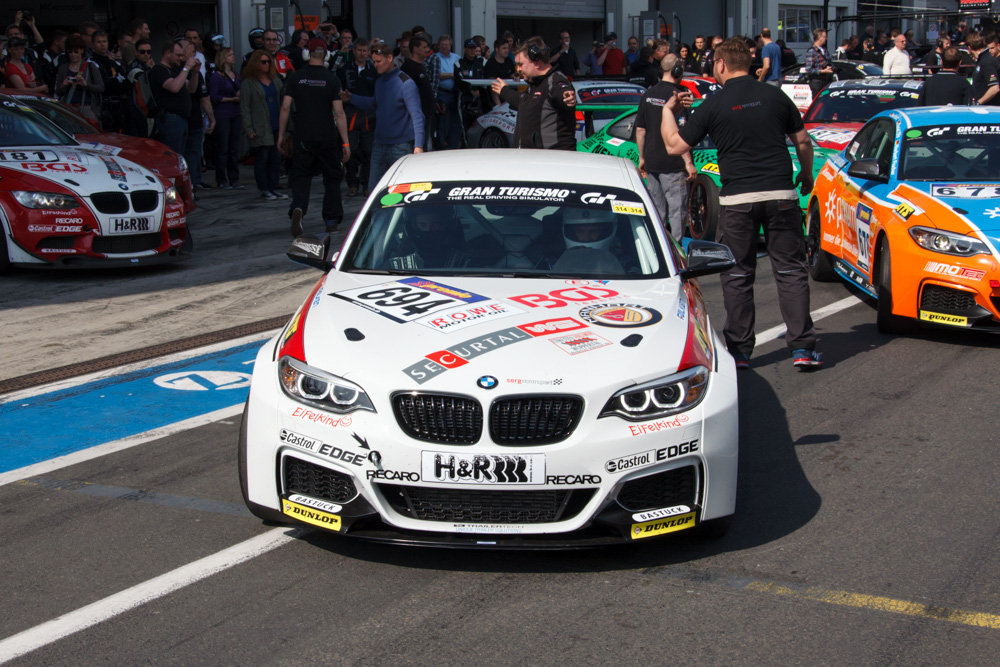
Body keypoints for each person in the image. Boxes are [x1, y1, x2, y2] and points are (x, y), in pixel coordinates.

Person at [660, 37, 821, 370]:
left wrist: (666, 110)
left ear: (720, 65)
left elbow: (674, 145)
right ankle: (802, 348)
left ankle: (740, 352)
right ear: (749, 64)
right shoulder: (775, 95)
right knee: (791, 271)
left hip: (737, 199)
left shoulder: (714, 104)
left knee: (737, 274)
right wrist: (806, 175)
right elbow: (803, 140)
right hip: (781, 195)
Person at [279, 38, 350, 236]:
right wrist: (345, 142)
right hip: (327, 136)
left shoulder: (295, 77)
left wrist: (281, 135)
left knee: (301, 176)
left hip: (303, 136)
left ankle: (298, 209)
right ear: (326, 55)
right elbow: (339, 113)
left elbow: (285, 107)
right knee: (332, 178)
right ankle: (331, 219)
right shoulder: (332, 79)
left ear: (306, 54)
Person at [341, 42, 424, 192]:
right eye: (373, 62)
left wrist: (418, 146)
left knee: (401, 190)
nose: (375, 65)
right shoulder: (380, 81)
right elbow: (375, 104)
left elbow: (417, 115)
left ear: (390, 58)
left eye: (379, 61)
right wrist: (351, 98)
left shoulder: (406, 83)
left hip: (400, 146)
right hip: (380, 144)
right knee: (375, 190)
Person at [636, 53, 696, 241]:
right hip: (673, 163)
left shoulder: (647, 95)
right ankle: (677, 257)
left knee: (657, 214)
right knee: (677, 214)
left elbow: (640, 129)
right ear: (678, 71)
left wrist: (642, 157)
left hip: (652, 162)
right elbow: (682, 133)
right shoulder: (679, 96)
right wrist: (688, 162)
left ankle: (658, 253)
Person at [491, 37, 576, 150]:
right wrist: (504, 90)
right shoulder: (535, 85)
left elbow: (562, 93)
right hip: (532, 160)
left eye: (520, 64)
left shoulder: (555, 81)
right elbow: (522, 101)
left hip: (550, 161)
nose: (518, 69)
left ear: (536, 62)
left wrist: (567, 97)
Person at [241, 49, 285, 200]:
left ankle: (274, 186)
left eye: (268, 62)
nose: (267, 64)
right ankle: (264, 188)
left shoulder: (276, 80)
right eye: (263, 62)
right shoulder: (248, 83)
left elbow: (283, 101)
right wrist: (249, 128)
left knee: (276, 158)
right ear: (256, 64)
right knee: (262, 159)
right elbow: (245, 107)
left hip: (276, 124)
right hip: (260, 126)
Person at [338, 37, 376, 197]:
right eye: (359, 50)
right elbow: (337, 90)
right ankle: (352, 183)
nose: (361, 54)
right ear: (354, 51)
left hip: (369, 113)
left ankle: (366, 183)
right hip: (350, 112)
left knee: (369, 149)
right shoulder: (344, 68)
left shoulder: (374, 69)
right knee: (350, 147)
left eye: (364, 51)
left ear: (368, 52)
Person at [150, 40, 198, 155]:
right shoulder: (159, 70)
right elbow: (174, 87)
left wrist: (195, 73)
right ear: (168, 53)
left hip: (182, 119)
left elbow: (191, 88)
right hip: (171, 119)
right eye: (178, 55)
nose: (181, 58)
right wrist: (186, 67)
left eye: (182, 55)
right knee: (172, 156)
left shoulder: (175, 71)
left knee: (180, 156)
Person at [180, 39, 215, 190]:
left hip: (194, 118)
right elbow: (190, 89)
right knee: (180, 153)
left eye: (195, 52)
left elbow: (204, 98)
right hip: (179, 119)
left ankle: (195, 181)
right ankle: (186, 184)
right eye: (190, 51)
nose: (194, 55)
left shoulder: (197, 73)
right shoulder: (176, 70)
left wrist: (211, 118)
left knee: (194, 151)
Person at [209, 47, 243, 189]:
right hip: (223, 113)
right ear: (223, 58)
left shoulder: (236, 74)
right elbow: (213, 97)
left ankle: (234, 178)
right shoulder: (217, 76)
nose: (233, 57)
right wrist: (230, 99)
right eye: (230, 55)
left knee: (233, 148)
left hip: (236, 113)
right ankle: (221, 179)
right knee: (223, 148)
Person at [55, 36, 103, 123]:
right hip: (69, 107)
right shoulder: (63, 68)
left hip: (87, 107)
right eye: (70, 52)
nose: (73, 55)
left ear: (82, 50)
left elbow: (101, 88)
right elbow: (58, 91)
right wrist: (64, 85)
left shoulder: (90, 67)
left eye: (76, 52)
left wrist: (86, 84)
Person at [399, 34, 435, 151]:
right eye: (424, 47)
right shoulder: (408, 67)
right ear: (415, 48)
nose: (427, 50)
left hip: (427, 113)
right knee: (419, 146)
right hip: (416, 116)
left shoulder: (422, 66)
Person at [89, 31, 129, 133]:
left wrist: (112, 81)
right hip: (102, 105)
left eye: (104, 41)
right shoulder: (91, 63)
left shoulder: (114, 62)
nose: (102, 44)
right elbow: (103, 85)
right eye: (99, 42)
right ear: (92, 44)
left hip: (119, 106)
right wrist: (116, 80)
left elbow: (126, 84)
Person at [433, 35, 462, 149]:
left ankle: (453, 146)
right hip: (441, 93)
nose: (445, 46)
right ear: (439, 45)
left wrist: (450, 76)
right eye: (442, 44)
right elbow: (436, 75)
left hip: (455, 93)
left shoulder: (456, 57)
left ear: (450, 46)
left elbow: (460, 74)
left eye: (447, 44)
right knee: (441, 122)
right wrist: (451, 75)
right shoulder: (435, 58)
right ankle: (440, 146)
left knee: (456, 121)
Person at [125, 38, 154, 137]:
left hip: (145, 112)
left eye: (148, 52)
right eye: (142, 52)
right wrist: (151, 71)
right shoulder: (134, 68)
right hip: (135, 112)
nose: (146, 54)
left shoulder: (147, 66)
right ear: (136, 52)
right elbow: (145, 84)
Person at [455, 38, 486, 132]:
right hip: (465, 100)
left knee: (482, 126)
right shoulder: (459, 63)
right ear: (465, 49)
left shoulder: (482, 61)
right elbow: (458, 81)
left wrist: (479, 91)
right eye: (470, 48)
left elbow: (486, 78)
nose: (472, 51)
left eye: (474, 48)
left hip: (481, 100)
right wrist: (470, 91)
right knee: (466, 128)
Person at [970, 33, 1000, 106]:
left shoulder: (987, 62)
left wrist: (978, 102)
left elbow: (995, 87)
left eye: (992, 48)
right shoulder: (983, 60)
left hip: (989, 109)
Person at [804, 28, 834, 97]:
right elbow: (809, 70)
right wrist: (822, 71)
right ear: (819, 37)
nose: (826, 38)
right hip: (817, 81)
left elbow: (830, 62)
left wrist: (830, 68)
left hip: (826, 80)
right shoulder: (812, 51)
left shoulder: (824, 50)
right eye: (825, 36)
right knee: (818, 102)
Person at [35, 30, 67, 94]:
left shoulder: (64, 57)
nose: (66, 45)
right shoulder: (45, 56)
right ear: (56, 42)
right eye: (64, 42)